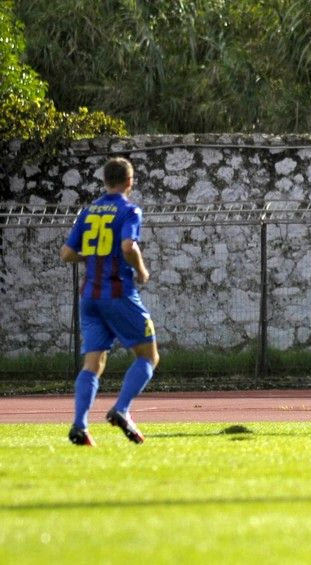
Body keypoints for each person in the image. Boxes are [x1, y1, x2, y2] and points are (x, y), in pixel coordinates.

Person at [60, 157, 159, 446]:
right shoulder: (129, 210)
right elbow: (129, 246)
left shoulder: (88, 212)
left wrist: (94, 257)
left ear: (105, 181)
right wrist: (141, 270)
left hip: (89, 297)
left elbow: (66, 254)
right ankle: (122, 409)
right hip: (117, 293)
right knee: (148, 356)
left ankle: (80, 425)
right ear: (130, 181)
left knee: (93, 362)